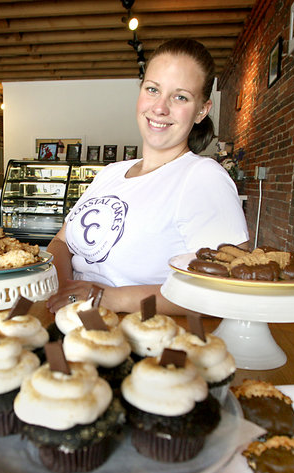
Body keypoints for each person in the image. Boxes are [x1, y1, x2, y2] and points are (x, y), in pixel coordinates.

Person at [46, 38, 249, 315]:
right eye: (153, 89)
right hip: (70, 321)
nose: (160, 107)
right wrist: (62, 286)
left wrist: (108, 298)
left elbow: (228, 289)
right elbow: (61, 241)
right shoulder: (110, 173)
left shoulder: (202, 177)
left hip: (138, 337)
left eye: (180, 97)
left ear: (202, 110)